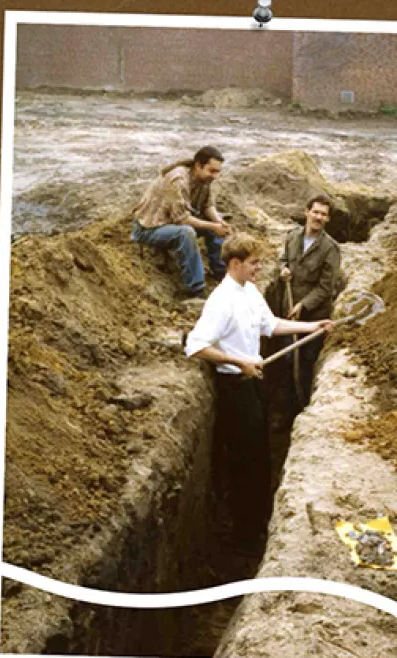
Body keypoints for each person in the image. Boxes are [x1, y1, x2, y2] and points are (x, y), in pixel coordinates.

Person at [185, 233, 334, 553]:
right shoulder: (221, 301)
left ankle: (257, 525)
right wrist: (238, 361)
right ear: (235, 263)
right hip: (235, 390)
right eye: (254, 263)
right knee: (246, 463)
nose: (259, 268)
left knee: (260, 457)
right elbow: (195, 346)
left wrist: (313, 327)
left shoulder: (250, 291)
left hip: (254, 383)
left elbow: (271, 325)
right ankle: (243, 538)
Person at [132, 146, 232, 298]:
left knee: (215, 227)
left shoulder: (204, 179)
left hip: (171, 223)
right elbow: (182, 219)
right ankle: (196, 288)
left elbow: (207, 206)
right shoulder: (178, 180)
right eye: (212, 171)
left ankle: (220, 273)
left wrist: (219, 222)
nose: (215, 176)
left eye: (218, 171)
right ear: (198, 165)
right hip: (150, 227)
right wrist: (213, 226)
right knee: (186, 232)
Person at [278, 195, 341, 410]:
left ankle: (303, 405)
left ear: (328, 219)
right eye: (315, 212)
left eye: (323, 214)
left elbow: (326, 288)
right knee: (287, 360)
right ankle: (285, 407)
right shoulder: (292, 237)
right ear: (306, 212)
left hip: (314, 315)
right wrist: (283, 269)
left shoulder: (330, 248)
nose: (318, 217)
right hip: (288, 311)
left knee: (307, 361)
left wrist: (303, 305)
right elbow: (284, 259)